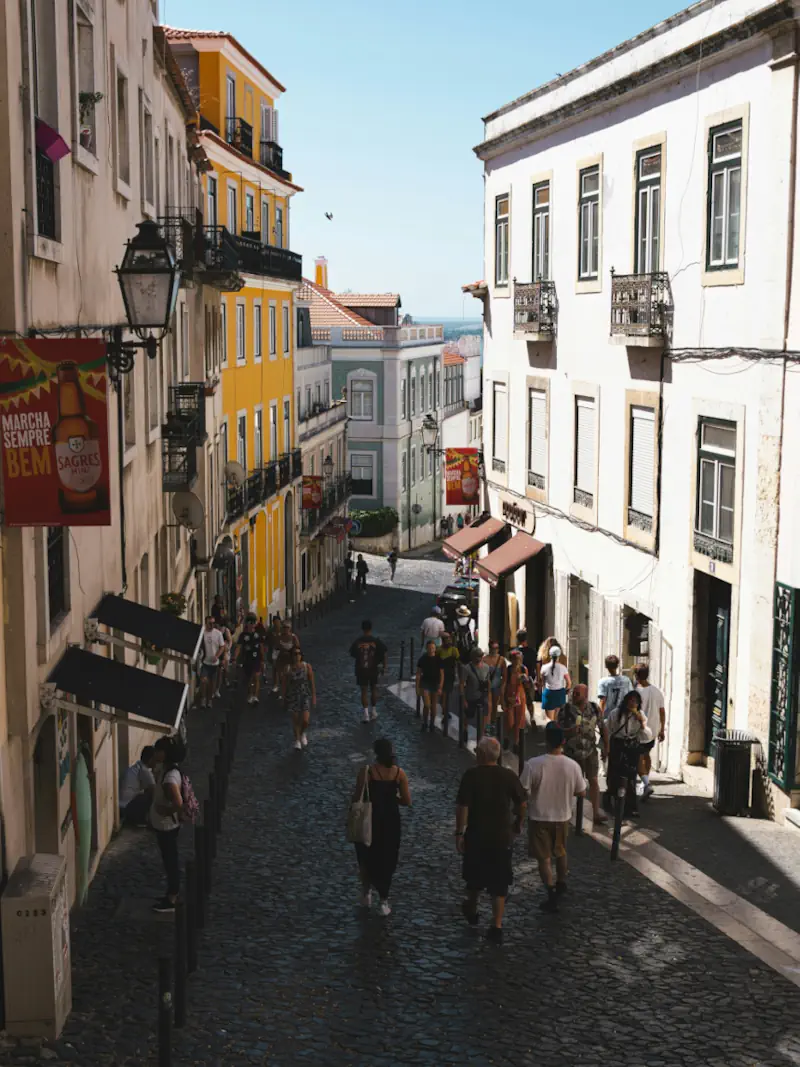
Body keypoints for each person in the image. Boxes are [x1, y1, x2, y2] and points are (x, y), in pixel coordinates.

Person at [456, 736, 527, 945]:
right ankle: (496, 925)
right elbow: (522, 802)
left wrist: (459, 832)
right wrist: (519, 821)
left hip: (477, 835)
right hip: (501, 836)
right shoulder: (508, 776)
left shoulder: (471, 775)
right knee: (500, 881)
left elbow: (463, 807)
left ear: (482, 754)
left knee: (474, 877)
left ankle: (472, 907)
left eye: (478, 750)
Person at [520, 723, 586, 913]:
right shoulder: (573, 766)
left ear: (546, 741)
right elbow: (581, 792)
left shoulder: (533, 764)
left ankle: (550, 893)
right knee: (561, 851)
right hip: (562, 816)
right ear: (563, 741)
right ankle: (561, 883)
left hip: (539, 817)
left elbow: (523, 791)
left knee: (544, 859)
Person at [354, 739, 411, 916]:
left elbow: (357, 797)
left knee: (366, 856)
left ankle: (366, 893)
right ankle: (384, 900)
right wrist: (393, 799)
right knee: (387, 858)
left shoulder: (367, 772)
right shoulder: (399, 774)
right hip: (391, 822)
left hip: (370, 820)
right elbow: (407, 801)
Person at [556, 684, 608, 824]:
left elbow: (603, 728)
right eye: (574, 693)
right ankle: (566, 812)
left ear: (585, 694)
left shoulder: (594, 709)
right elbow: (557, 730)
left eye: (578, 693)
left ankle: (596, 812)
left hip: (590, 750)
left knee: (593, 781)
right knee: (570, 783)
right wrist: (570, 731)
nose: (574, 695)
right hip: (571, 752)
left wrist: (605, 747)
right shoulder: (565, 709)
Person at [150, 736, 185, 913]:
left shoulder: (170, 777)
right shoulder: (166, 769)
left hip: (167, 826)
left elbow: (178, 803)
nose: (156, 753)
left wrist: (165, 810)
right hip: (164, 825)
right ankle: (171, 893)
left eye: (159, 750)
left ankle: (172, 897)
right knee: (169, 859)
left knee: (170, 861)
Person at [605, 689, 652, 819]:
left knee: (631, 776)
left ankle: (631, 807)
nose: (633, 703)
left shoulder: (640, 715)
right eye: (631, 700)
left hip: (631, 745)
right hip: (618, 744)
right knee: (614, 774)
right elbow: (608, 730)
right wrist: (606, 748)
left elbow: (647, 736)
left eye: (636, 701)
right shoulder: (615, 714)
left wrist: (642, 723)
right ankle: (611, 800)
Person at [635, 663, 665, 800]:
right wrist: (662, 729)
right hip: (653, 730)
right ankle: (644, 782)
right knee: (646, 755)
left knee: (637, 759)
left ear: (636, 676)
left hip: (640, 731)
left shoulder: (637, 692)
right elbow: (662, 711)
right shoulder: (657, 691)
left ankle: (646, 784)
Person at [349, 619, 388, 722]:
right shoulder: (376, 641)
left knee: (364, 691)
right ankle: (374, 711)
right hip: (373, 669)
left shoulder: (358, 641)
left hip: (361, 669)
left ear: (362, 629)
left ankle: (366, 714)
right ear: (371, 628)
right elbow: (384, 653)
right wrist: (384, 667)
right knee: (374, 689)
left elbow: (353, 654)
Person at [282, 646, 316, 750]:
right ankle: (297, 740)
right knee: (296, 720)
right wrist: (284, 697)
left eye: (299, 654)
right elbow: (284, 684)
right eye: (295, 654)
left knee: (305, 720)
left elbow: (312, 682)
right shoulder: (288, 668)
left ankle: (302, 733)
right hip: (293, 695)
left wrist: (314, 696)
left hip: (305, 694)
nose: (297, 656)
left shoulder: (307, 667)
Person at [459, 646, 490, 744]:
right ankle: (465, 730)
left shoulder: (486, 667)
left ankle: (481, 736)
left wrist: (488, 695)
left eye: (480, 656)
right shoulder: (466, 668)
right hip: (470, 697)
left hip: (482, 696)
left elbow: (488, 681)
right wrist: (463, 699)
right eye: (476, 656)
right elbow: (462, 684)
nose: (478, 658)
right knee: (468, 716)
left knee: (484, 715)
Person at [119, 746, 156, 827]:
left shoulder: (137, 767)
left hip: (121, 805)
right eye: (155, 759)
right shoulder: (144, 770)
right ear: (150, 759)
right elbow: (154, 791)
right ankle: (140, 820)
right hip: (127, 807)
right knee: (151, 795)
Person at [233, 614, 263, 705]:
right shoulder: (243, 635)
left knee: (256, 677)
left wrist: (262, 659)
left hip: (256, 658)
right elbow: (239, 647)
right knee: (249, 678)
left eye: (253, 623)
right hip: (247, 659)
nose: (251, 625)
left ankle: (255, 696)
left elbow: (261, 647)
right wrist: (234, 657)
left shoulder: (258, 635)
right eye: (250, 623)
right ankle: (250, 694)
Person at [416, 640, 444, 733]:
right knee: (427, 705)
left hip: (435, 683)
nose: (431, 650)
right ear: (427, 648)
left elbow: (441, 673)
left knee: (434, 706)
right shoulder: (422, 659)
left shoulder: (438, 659)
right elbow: (419, 674)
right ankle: (425, 722)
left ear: (435, 649)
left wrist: (440, 686)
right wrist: (417, 687)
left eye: (433, 648)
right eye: (429, 648)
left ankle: (432, 723)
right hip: (425, 683)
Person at [503, 649, 529, 750]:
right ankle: (507, 737)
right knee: (510, 721)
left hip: (520, 697)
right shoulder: (508, 669)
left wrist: (525, 680)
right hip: (510, 696)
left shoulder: (523, 669)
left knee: (519, 721)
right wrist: (503, 699)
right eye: (514, 659)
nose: (517, 661)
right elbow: (504, 684)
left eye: (518, 659)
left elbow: (527, 686)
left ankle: (516, 743)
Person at [199, 616, 226, 709]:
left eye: (213, 623)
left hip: (214, 663)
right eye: (210, 623)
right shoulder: (202, 633)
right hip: (205, 662)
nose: (212, 625)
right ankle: (203, 699)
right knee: (203, 681)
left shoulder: (218, 634)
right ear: (206, 623)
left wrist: (217, 656)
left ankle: (209, 701)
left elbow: (222, 646)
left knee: (211, 684)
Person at [597, 654, 633, 721]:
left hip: (608, 719)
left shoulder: (603, 682)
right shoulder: (626, 680)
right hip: (623, 718)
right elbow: (631, 698)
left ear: (605, 666)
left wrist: (599, 719)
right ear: (617, 665)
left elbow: (602, 702)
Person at [539, 644, 571, 720]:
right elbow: (569, 683)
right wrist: (565, 691)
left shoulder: (544, 668)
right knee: (558, 721)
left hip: (548, 694)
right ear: (559, 656)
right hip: (560, 694)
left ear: (550, 655)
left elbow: (542, 683)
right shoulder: (563, 668)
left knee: (549, 721)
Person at [437, 632, 461, 732]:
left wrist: (459, 676)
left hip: (450, 676)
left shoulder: (454, 651)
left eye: (449, 640)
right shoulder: (439, 650)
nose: (448, 641)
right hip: (441, 675)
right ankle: (445, 712)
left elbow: (458, 663)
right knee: (442, 696)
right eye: (446, 640)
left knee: (445, 695)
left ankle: (445, 713)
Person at [483, 640, 507, 732]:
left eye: (496, 648)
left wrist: (502, 688)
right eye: (493, 648)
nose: (494, 650)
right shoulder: (485, 659)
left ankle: (492, 724)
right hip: (487, 687)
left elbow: (504, 676)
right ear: (489, 648)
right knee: (488, 707)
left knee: (494, 707)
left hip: (497, 687)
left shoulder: (501, 660)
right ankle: (487, 726)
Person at [276, 620, 301, 685]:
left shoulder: (294, 637)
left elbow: (298, 648)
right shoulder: (279, 637)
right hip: (281, 659)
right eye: (284, 627)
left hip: (290, 659)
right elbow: (276, 648)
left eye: (287, 627)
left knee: (290, 676)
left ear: (290, 628)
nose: (285, 629)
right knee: (281, 676)